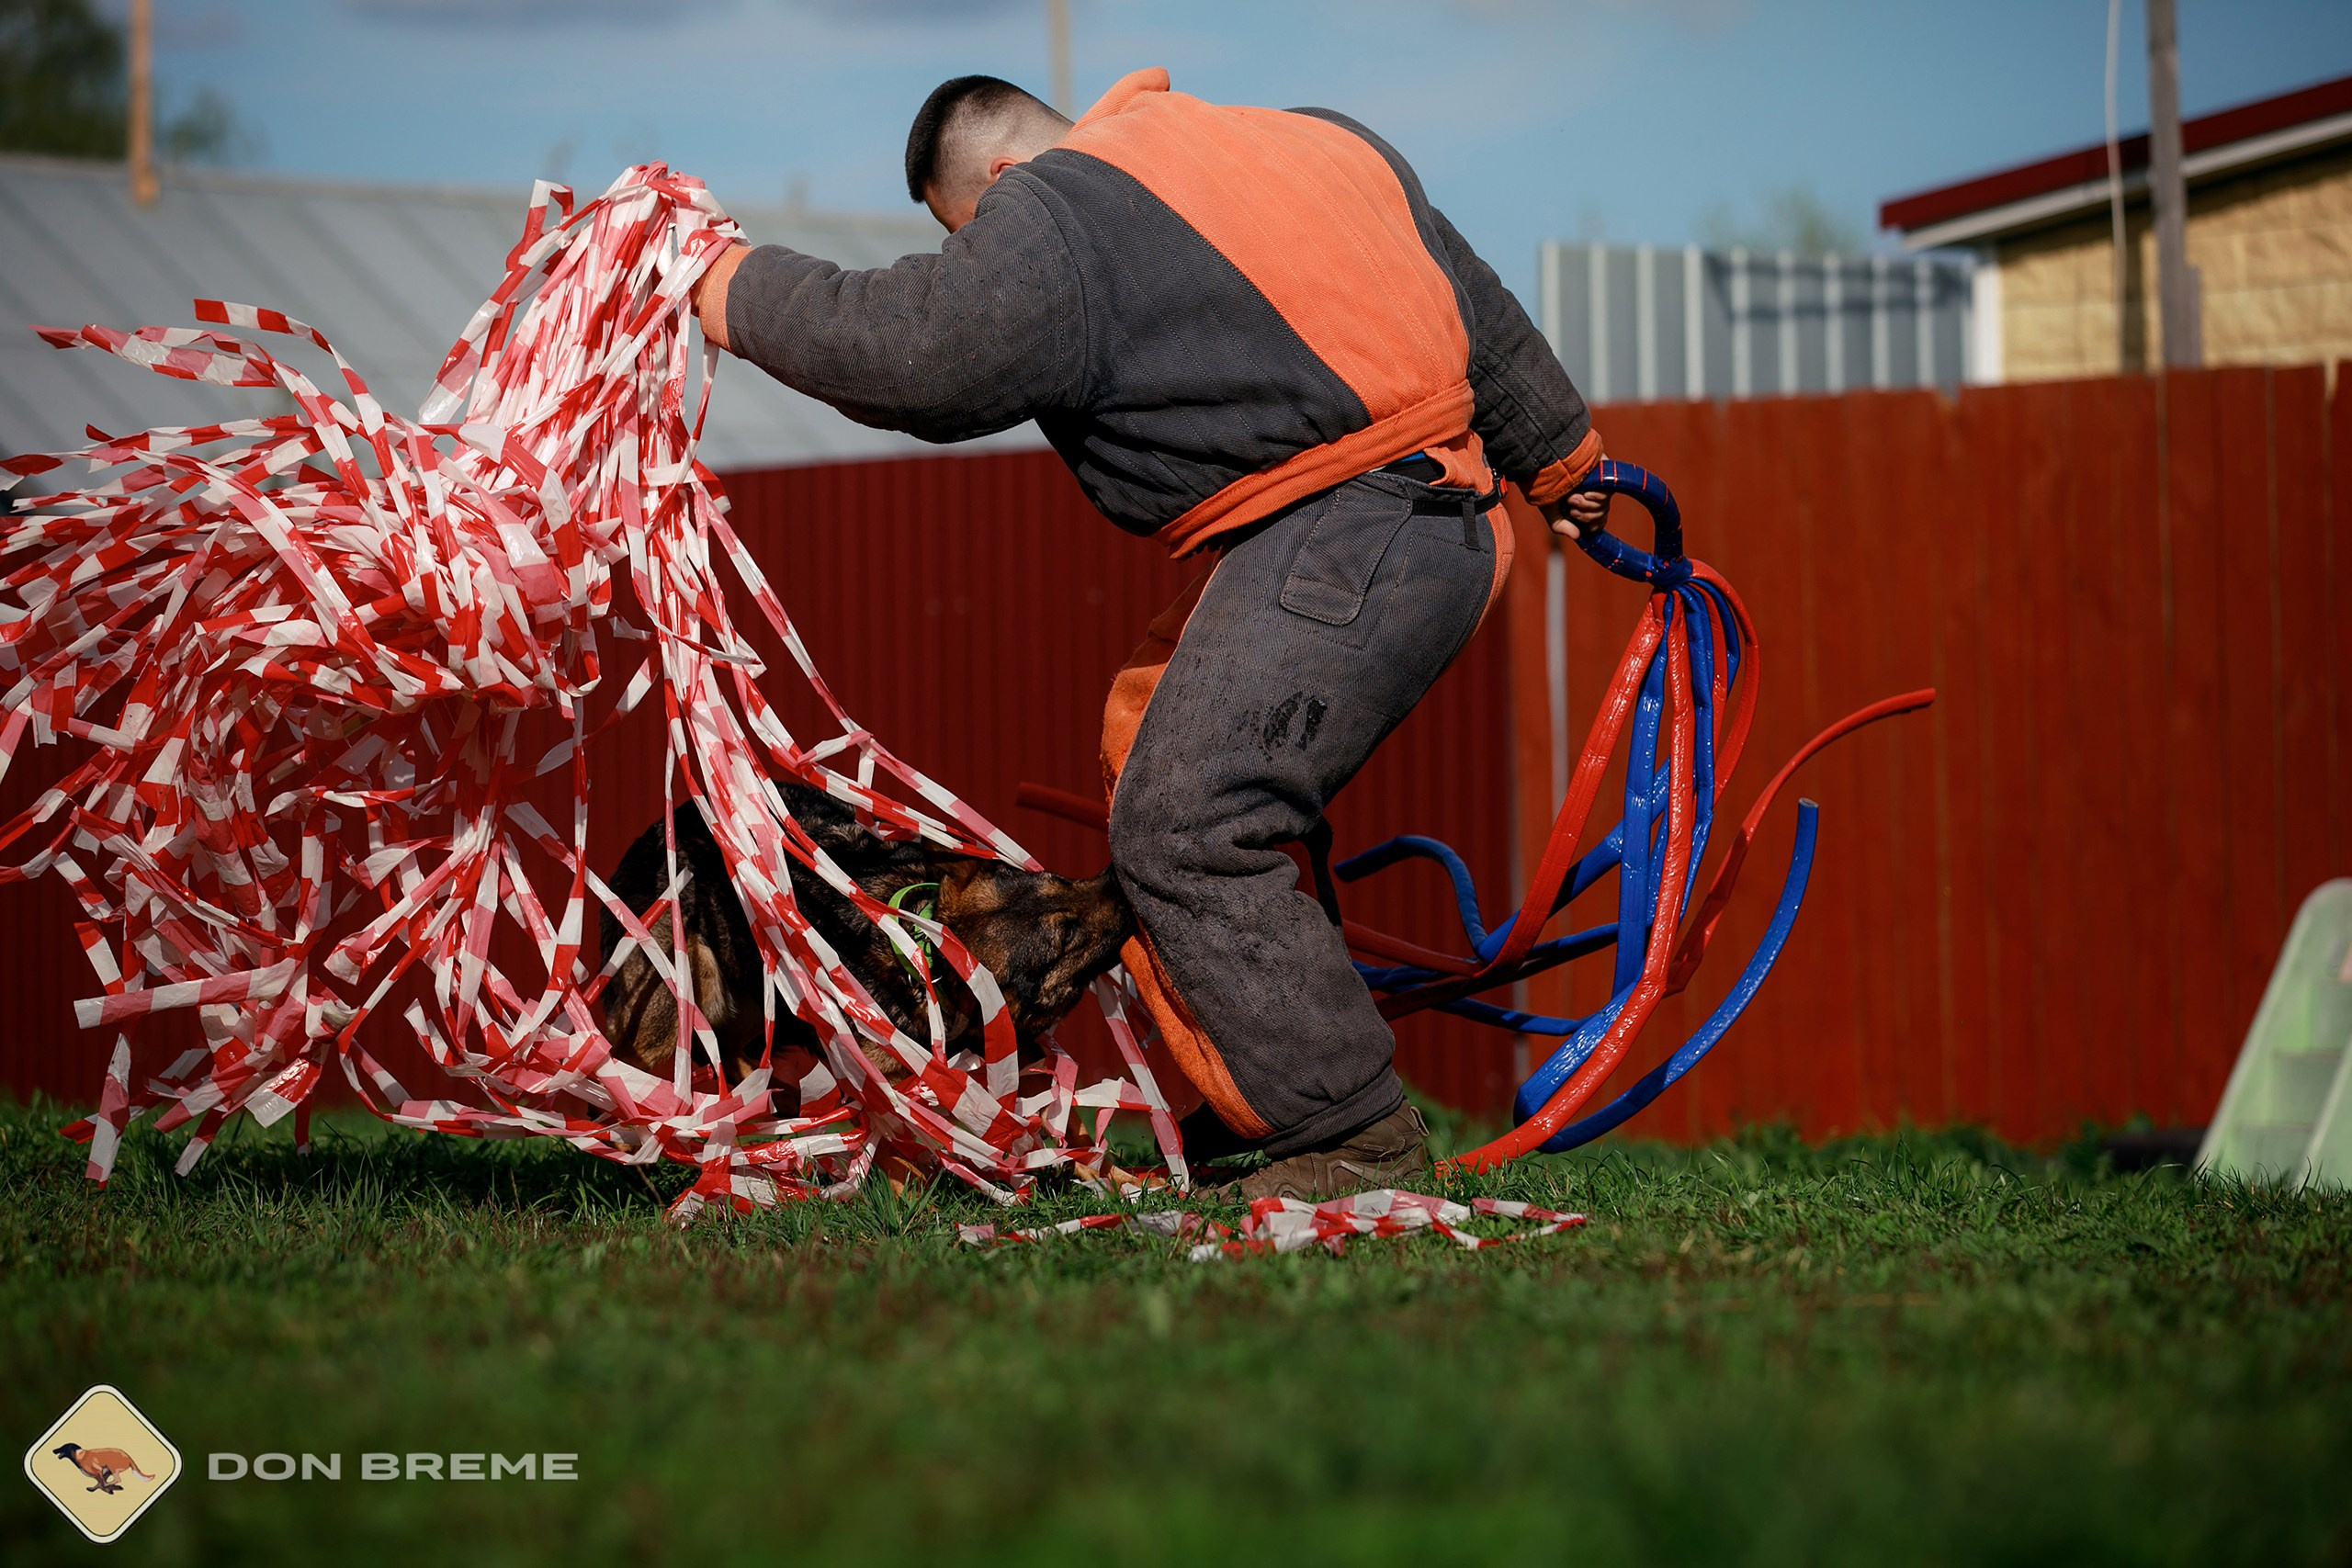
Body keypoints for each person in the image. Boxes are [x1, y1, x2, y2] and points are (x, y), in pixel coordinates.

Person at [693, 68, 1607, 1198]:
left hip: (1351, 528)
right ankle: (1267, 1097)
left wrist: (722, 284)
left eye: (970, 235)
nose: (987, 255)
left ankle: (1351, 1134)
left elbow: (916, 350)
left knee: (1188, 824)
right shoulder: (1308, 139)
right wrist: (1564, 460)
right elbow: (1470, 298)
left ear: (1004, 175)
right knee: (1156, 764)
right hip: (1428, 517)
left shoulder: (1061, 204)